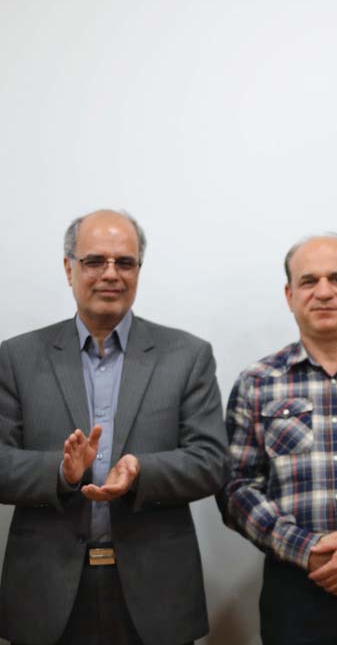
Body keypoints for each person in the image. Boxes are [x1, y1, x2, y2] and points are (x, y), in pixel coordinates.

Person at [0, 209, 228, 645]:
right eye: (94, 261)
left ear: (139, 269)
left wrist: (141, 470)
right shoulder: (17, 357)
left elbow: (211, 461)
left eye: (125, 262)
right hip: (45, 592)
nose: (111, 274)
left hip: (156, 592)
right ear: (69, 267)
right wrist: (61, 473)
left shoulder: (187, 355)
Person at [221, 235, 337, 645]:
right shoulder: (257, 382)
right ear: (290, 295)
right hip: (295, 590)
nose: (323, 292)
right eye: (309, 281)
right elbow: (236, 487)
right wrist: (307, 549)